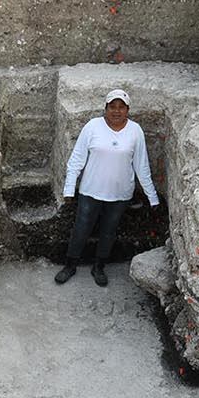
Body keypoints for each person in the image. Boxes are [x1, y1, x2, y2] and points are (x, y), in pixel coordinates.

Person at [56, 88, 160, 287]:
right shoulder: (93, 126)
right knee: (81, 228)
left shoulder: (135, 131)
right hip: (90, 191)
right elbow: (77, 159)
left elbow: (141, 165)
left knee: (109, 231)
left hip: (120, 194)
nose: (117, 111)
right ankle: (70, 265)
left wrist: (152, 197)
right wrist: (69, 189)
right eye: (112, 106)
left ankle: (99, 267)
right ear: (106, 108)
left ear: (128, 110)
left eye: (121, 107)